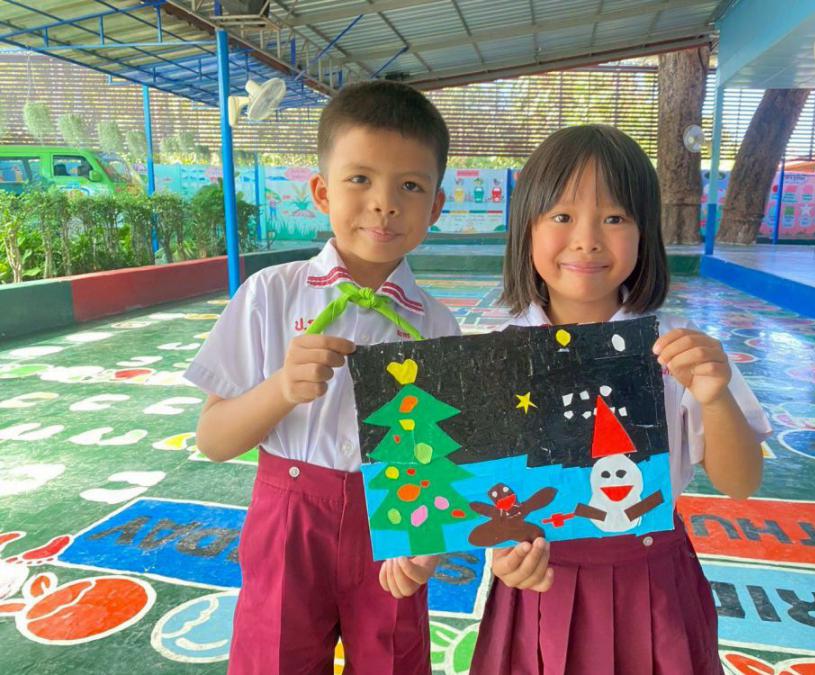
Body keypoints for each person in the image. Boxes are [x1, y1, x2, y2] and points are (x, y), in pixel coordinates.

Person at [470, 124, 771, 675]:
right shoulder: (494, 357)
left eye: (614, 218)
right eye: (562, 216)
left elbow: (742, 481)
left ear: (644, 233)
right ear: (526, 228)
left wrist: (715, 398)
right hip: (540, 587)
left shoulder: (680, 349)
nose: (587, 239)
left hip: (652, 589)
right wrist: (505, 559)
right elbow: (485, 500)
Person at [185, 80, 459, 675]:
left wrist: (429, 549)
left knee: (393, 660)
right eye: (360, 178)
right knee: (274, 658)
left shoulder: (437, 324)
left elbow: (436, 461)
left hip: (394, 523)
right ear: (321, 191)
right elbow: (213, 440)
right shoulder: (269, 295)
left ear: (436, 206)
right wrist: (281, 388)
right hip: (288, 521)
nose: (384, 203)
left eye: (410, 186)